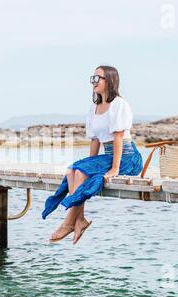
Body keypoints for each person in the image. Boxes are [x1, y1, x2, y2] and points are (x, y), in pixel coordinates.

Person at [41, 65, 143, 244]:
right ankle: (79, 220)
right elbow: (95, 140)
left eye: (97, 78)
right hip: (109, 155)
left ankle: (69, 222)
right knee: (73, 170)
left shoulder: (119, 104)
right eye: (92, 79)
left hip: (127, 158)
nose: (93, 82)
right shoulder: (94, 107)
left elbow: (119, 137)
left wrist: (115, 168)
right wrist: (90, 162)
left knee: (80, 172)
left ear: (110, 80)